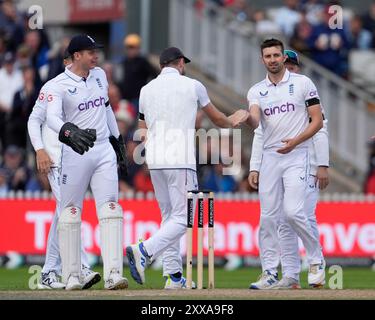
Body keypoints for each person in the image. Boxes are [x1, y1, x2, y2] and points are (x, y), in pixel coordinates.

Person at [126, 47, 249, 289]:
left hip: (155, 160)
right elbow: (217, 119)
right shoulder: (192, 85)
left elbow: (142, 128)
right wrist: (235, 118)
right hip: (180, 159)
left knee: (169, 218)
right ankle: (144, 250)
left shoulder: (146, 90)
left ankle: (173, 277)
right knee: (187, 217)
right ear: (180, 63)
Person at [46, 35, 128, 290]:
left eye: (96, 51)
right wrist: (69, 133)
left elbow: (105, 109)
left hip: (103, 149)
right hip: (76, 151)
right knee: (70, 213)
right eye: (90, 52)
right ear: (76, 55)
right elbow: (51, 118)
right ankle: (72, 276)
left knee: (111, 208)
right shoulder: (57, 84)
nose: (95, 55)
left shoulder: (100, 75)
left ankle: (113, 274)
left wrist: (117, 141)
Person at [246, 39, 325, 290]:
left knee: (293, 212)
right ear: (262, 59)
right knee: (268, 218)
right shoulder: (256, 90)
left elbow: (317, 122)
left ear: (282, 57)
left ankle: (315, 260)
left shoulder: (303, 83)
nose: (272, 59)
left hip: (297, 153)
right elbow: (256, 123)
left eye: (276, 55)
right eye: (267, 56)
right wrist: (246, 118)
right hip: (270, 157)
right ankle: (269, 271)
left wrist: (295, 142)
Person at [27, 50, 101, 290]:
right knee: (70, 212)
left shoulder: (86, 85)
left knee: (62, 214)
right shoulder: (53, 87)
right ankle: (82, 266)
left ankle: (48, 272)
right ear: (69, 61)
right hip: (56, 160)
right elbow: (33, 120)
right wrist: (40, 150)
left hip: (73, 159)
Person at [120, 34, 158, 112]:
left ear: (138, 48)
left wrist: (149, 91)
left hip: (138, 99)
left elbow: (155, 76)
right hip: (125, 99)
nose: (130, 50)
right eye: (129, 47)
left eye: (133, 47)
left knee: (137, 121)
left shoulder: (143, 62)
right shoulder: (124, 62)